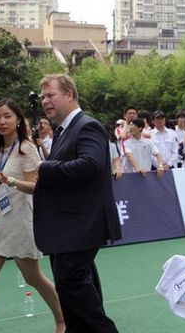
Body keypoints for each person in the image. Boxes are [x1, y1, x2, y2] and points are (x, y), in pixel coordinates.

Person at [34, 73, 121, 332]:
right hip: (69, 228)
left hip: (82, 225)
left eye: (50, 95)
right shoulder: (64, 131)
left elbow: (91, 165)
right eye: (42, 97)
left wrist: (46, 168)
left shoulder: (87, 126)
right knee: (76, 287)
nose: (45, 102)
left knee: (73, 286)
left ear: (70, 94)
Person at [0, 98, 65, 333]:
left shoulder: (27, 148)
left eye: (7, 116)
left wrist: (12, 181)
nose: (2, 122)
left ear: (17, 120)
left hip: (22, 222)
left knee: (33, 278)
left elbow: (36, 186)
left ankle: (63, 320)